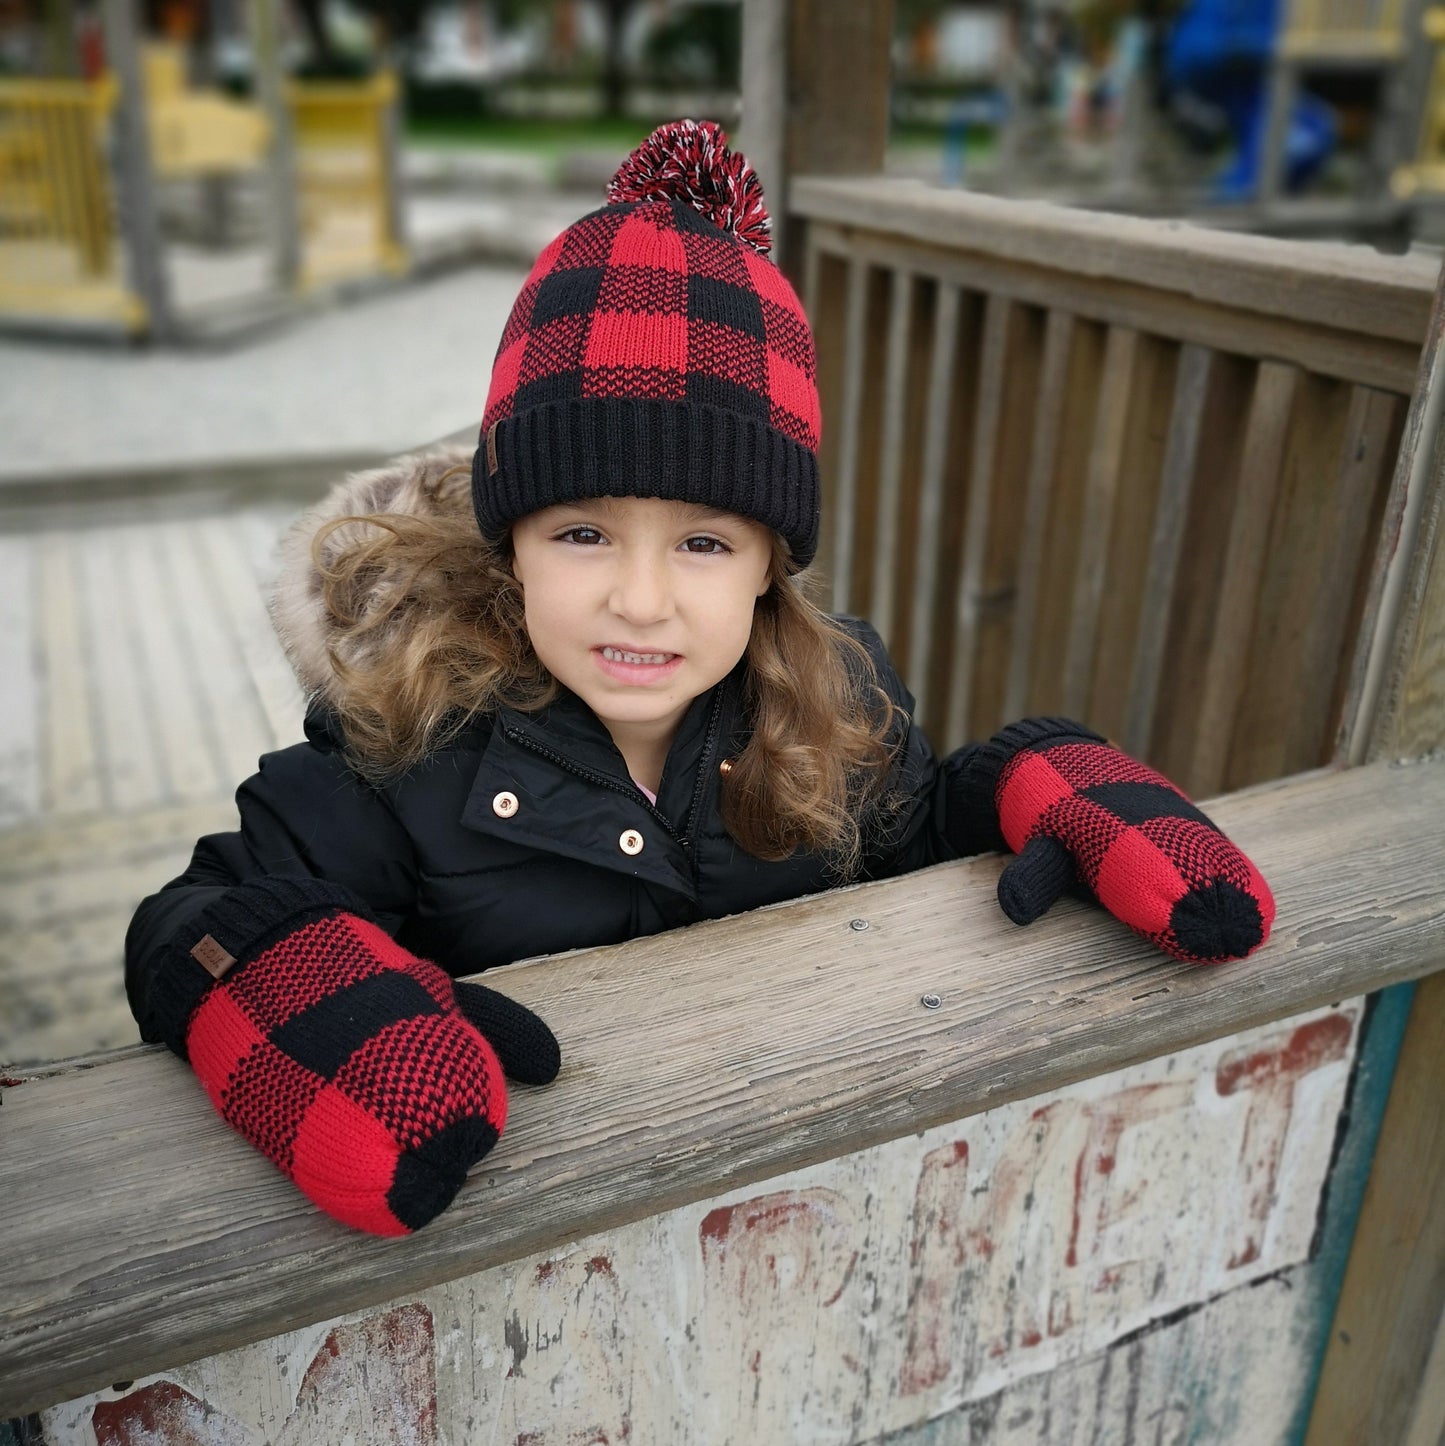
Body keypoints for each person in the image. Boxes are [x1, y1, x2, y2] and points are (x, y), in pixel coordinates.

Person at [124, 120, 1274, 1239]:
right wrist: (301, 980)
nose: (639, 598)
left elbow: (922, 833)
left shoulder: (840, 704)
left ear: (772, 562)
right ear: (507, 542)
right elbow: (193, 924)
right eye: (581, 533)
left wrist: (1031, 784)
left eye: (703, 543)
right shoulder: (405, 743)